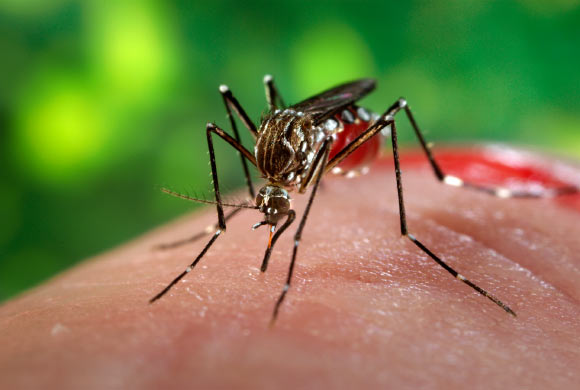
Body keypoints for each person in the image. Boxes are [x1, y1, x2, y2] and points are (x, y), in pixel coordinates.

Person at [1, 146, 579, 389]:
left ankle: (449, 183)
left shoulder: (298, 175)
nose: (274, 218)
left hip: (342, 133)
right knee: (222, 121)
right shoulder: (276, 183)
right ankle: (205, 240)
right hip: (298, 145)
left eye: (274, 209)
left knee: (392, 115)